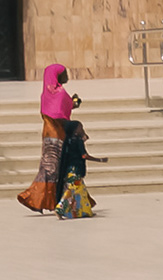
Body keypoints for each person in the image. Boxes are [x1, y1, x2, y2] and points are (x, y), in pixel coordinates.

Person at [17, 64, 78, 212]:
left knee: (48, 169)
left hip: (48, 136)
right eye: (64, 73)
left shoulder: (46, 94)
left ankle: (45, 201)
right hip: (58, 136)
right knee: (57, 169)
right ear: (57, 76)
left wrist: (71, 104)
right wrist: (74, 103)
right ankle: (35, 198)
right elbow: (62, 114)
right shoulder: (60, 93)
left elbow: (57, 111)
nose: (67, 76)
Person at [53, 119, 107, 219]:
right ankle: (59, 209)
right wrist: (99, 160)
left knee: (81, 191)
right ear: (75, 130)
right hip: (76, 170)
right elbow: (84, 155)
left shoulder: (68, 140)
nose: (82, 129)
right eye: (80, 128)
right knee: (72, 191)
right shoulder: (78, 141)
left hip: (69, 170)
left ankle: (86, 211)